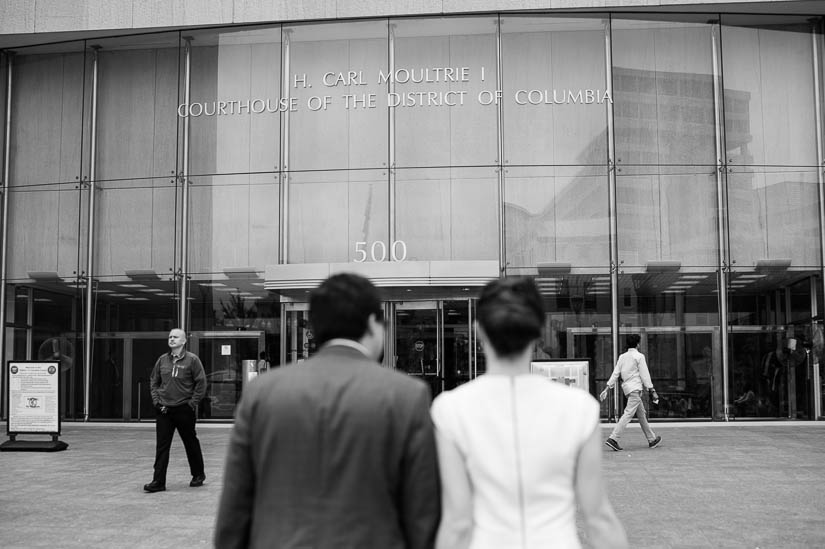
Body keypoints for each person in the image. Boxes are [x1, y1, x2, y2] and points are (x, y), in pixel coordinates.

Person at [214, 273, 441, 549]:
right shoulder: (407, 395)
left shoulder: (261, 392)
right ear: (372, 323)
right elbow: (422, 514)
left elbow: (234, 510)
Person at [431, 277, 627, 549]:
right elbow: (599, 519)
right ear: (538, 331)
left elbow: (457, 522)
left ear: (478, 332)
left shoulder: (450, 409)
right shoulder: (579, 408)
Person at [143, 328, 207, 493]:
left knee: (190, 442)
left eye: (175, 337)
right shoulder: (162, 360)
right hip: (164, 409)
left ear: (184, 341)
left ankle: (198, 474)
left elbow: (201, 383)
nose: (171, 339)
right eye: (170, 337)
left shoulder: (192, 360)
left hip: (184, 409)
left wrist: (192, 404)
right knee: (162, 446)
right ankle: (158, 481)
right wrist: (156, 402)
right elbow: (154, 381)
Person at [600, 334, 662, 451]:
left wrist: (607, 387)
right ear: (638, 344)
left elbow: (615, 373)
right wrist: (652, 389)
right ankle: (613, 438)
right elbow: (645, 375)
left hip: (628, 389)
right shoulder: (639, 356)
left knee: (641, 414)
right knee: (628, 414)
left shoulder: (622, 357)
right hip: (636, 389)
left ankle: (651, 439)